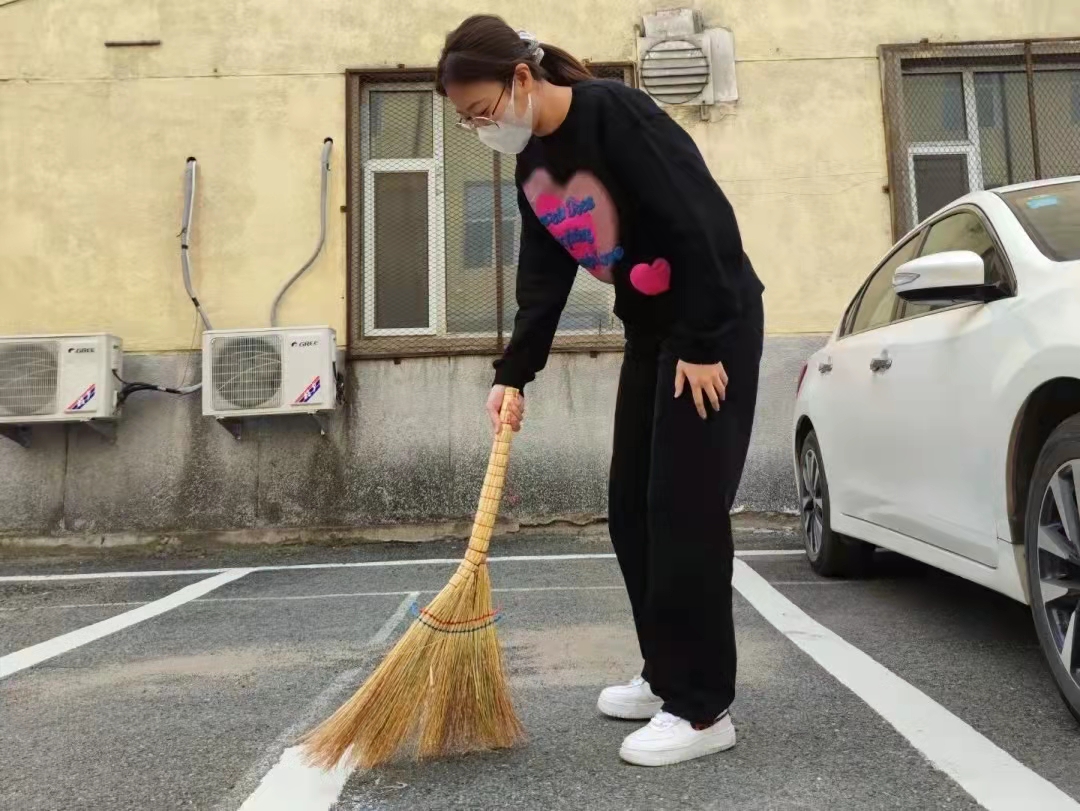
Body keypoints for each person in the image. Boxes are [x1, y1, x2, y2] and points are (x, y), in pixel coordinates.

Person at [437, 15, 765, 767]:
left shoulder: (613, 113)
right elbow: (543, 273)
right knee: (632, 510)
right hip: (653, 333)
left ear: (522, 78)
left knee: (683, 510)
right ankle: (666, 671)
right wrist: (514, 372)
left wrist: (701, 341)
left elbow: (701, 219)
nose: (482, 128)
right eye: (468, 122)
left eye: (482, 111)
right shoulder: (532, 163)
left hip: (710, 325)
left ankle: (702, 707)